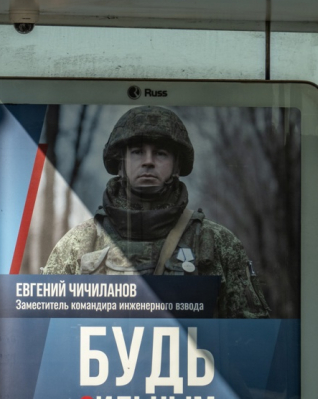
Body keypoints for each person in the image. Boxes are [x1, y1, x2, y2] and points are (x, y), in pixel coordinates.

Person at [43, 106, 270, 318]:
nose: (148, 162)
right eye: (137, 152)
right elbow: (42, 335)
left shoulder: (217, 244)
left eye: (160, 153)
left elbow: (250, 340)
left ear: (177, 165)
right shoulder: (78, 246)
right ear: (121, 164)